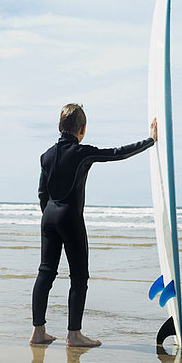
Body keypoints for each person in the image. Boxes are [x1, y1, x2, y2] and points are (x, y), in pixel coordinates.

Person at [30, 104, 157, 347]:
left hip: (48, 218)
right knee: (79, 276)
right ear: (83, 130)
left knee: (45, 273)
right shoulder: (82, 153)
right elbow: (117, 153)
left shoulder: (45, 156)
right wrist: (149, 141)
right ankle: (74, 335)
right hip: (70, 218)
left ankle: (38, 332)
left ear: (59, 128)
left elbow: (41, 193)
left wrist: (49, 215)